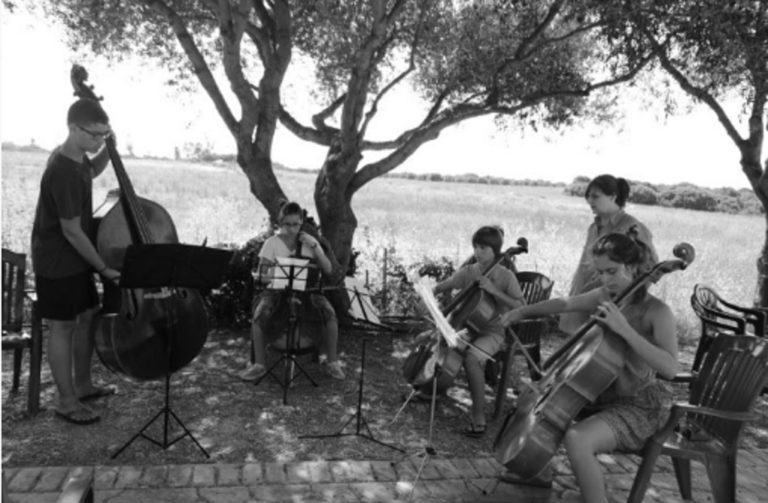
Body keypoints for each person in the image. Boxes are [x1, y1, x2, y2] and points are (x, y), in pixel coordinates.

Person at [500, 233, 679, 502]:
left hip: (637, 406)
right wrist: (521, 312)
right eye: (600, 273)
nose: (606, 279)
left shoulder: (657, 311)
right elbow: (565, 304)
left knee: (578, 438)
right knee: (535, 400)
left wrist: (625, 330)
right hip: (601, 395)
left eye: (612, 271)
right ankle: (538, 471)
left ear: (632, 267)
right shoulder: (606, 295)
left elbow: (671, 368)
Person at [31, 98, 121, 425]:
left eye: (103, 135)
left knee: (88, 315)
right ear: (73, 128)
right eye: (95, 135)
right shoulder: (63, 170)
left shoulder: (79, 157)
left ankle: (82, 386)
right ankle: (66, 402)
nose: (99, 141)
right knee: (63, 326)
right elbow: (71, 230)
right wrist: (103, 268)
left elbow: (94, 170)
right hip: (57, 259)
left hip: (73, 255)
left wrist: (109, 148)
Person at [420, 226, 525, 437]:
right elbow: (443, 286)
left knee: (473, 358)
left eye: (484, 248)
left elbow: (521, 306)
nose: (478, 252)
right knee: (445, 345)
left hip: (493, 332)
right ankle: (432, 388)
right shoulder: (469, 271)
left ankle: (479, 417)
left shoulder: (505, 276)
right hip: (467, 328)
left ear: (495, 250)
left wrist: (494, 291)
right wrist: (427, 296)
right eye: (476, 247)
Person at [238, 201, 345, 381]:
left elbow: (327, 269)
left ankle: (332, 362)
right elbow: (261, 276)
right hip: (277, 290)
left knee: (329, 314)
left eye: (296, 224)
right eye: (287, 224)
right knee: (259, 314)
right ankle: (259, 365)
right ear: (280, 223)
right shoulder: (271, 243)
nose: (291, 229)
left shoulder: (309, 242)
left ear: (301, 223)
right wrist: (277, 274)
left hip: (308, 291)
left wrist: (315, 246)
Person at [559, 174, 658, 335]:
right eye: (588, 197)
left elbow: (650, 268)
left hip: (610, 303)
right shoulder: (593, 227)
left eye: (595, 196)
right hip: (584, 295)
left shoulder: (632, 227)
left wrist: (624, 301)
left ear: (613, 197)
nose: (590, 201)